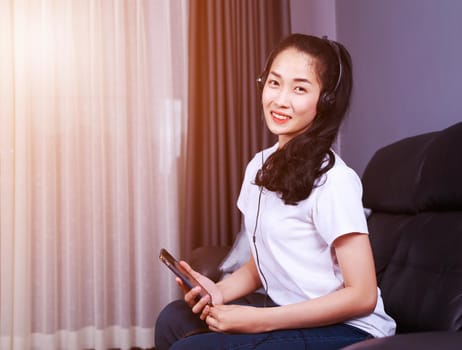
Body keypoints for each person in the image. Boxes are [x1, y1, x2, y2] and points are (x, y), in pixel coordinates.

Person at [155, 33, 396, 350]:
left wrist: (255, 321)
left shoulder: (334, 180)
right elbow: (262, 264)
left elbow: (362, 295)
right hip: (289, 317)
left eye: (299, 88)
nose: (280, 100)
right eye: (274, 83)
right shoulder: (258, 167)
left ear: (324, 102)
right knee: (173, 318)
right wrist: (219, 291)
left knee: (194, 348)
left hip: (350, 329)